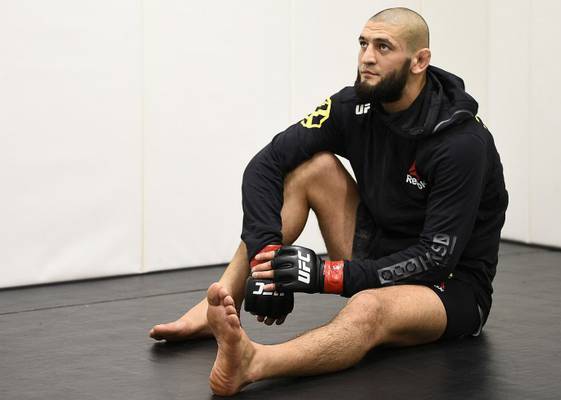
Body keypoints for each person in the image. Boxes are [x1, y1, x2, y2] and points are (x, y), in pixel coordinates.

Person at [149, 7, 509, 396]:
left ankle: (254, 363)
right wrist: (268, 261)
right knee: (312, 168)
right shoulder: (353, 106)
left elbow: (435, 258)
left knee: (368, 309)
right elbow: (265, 165)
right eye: (363, 44)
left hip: (447, 287)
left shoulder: (460, 142)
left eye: (383, 47)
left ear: (419, 61)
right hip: (377, 246)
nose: (367, 57)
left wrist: (326, 275)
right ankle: (217, 304)